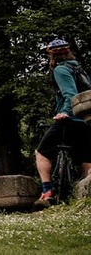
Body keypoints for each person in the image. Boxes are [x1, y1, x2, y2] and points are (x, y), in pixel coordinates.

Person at [34, 38, 91, 205]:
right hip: (86, 119)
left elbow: (70, 93)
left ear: (51, 55)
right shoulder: (79, 69)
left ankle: (47, 192)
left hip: (70, 119)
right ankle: (86, 197)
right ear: (68, 51)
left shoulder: (61, 70)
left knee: (42, 152)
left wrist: (64, 112)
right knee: (86, 157)